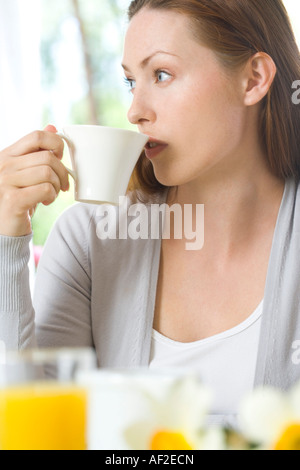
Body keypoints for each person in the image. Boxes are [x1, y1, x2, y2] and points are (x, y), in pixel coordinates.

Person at [1, 0, 300, 427]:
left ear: (253, 79)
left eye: (161, 74)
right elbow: (34, 428)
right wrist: (6, 240)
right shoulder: (90, 240)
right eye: (130, 82)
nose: (134, 110)